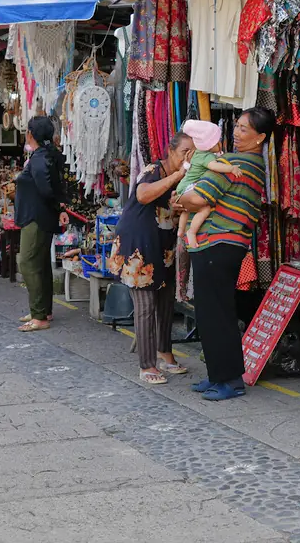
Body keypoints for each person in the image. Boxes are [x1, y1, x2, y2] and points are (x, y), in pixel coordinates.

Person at [174, 107, 274, 401]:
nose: (237, 132)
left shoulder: (235, 162)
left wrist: (180, 200)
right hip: (222, 245)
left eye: (244, 129)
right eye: (237, 126)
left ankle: (230, 380)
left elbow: (197, 197)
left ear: (260, 137)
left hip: (218, 243)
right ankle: (217, 375)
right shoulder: (252, 163)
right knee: (210, 312)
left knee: (217, 313)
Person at [108, 132, 195, 383]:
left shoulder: (185, 177)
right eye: (184, 152)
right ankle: (147, 365)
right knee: (145, 305)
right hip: (139, 247)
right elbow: (143, 195)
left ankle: (164, 353)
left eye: (192, 153)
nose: (187, 158)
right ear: (170, 150)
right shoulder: (153, 170)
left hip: (161, 245)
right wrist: (178, 175)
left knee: (166, 302)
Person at [13, 117, 68, 332]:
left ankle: (39, 315)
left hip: (35, 217)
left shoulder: (39, 159)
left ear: (30, 134)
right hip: (41, 215)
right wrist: (60, 207)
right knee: (41, 263)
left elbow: (46, 189)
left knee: (27, 263)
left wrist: (58, 206)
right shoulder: (46, 155)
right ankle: (44, 310)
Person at [174, 120, 242, 248]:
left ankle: (180, 230)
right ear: (210, 144)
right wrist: (231, 169)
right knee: (204, 209)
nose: (220, 143)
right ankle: (191, 232)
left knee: (186, 209)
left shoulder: (197, 153)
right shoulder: (207, 157)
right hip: (189, 187)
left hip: (183, 186)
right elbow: (214, 166)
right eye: (218, 141)